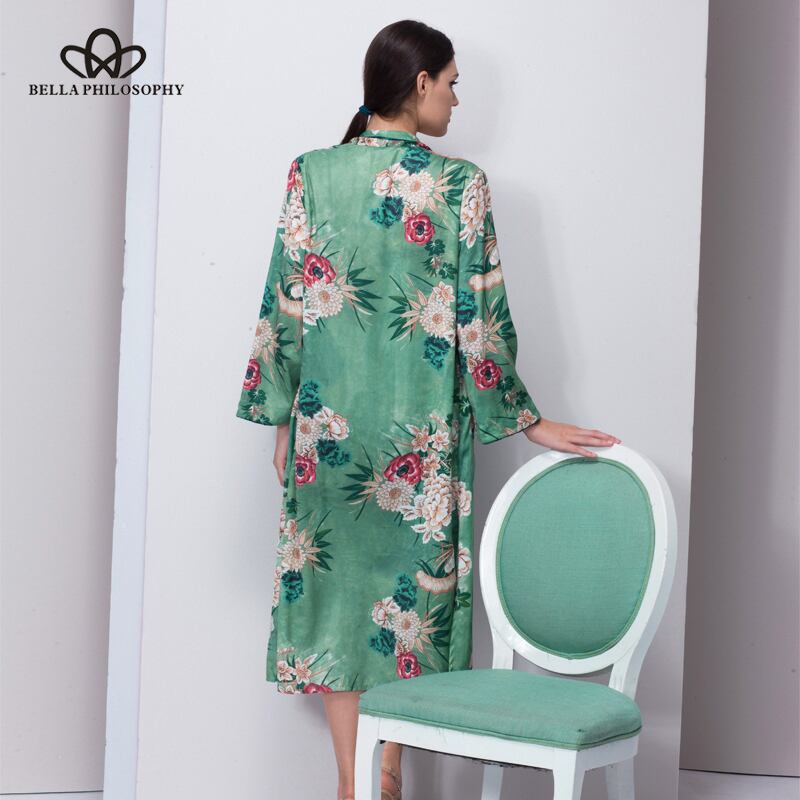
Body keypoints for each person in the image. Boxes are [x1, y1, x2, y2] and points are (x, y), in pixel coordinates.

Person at [235, 19, 621, 800]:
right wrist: (529, 421)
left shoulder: (311, 173)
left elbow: (286, 302)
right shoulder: (459, 185)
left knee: (339, 606)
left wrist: (282, 422)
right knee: (410, 608)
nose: (456, 99)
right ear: (419, 84)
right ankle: (386, 775)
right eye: (451, 83)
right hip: (423, 445)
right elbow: (479, 320)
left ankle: (352, 784)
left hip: (327, 438)